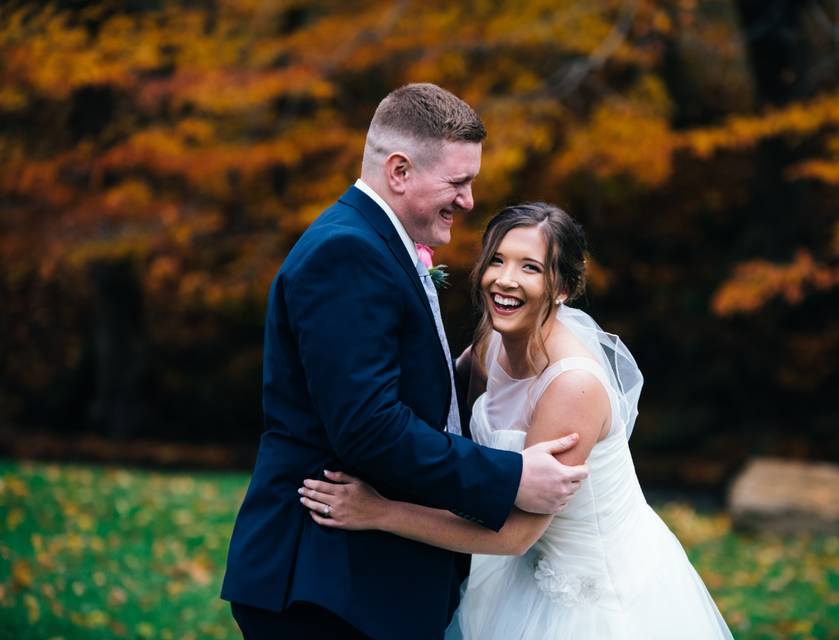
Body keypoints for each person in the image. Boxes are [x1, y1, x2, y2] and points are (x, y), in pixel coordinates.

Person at [220, 85, 589, 640]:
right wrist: (511, 476)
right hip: (322, 581)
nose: (468, 200)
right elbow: (369, 429)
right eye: (457, 182)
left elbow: (420, 386)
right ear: (399, 171)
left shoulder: (376, 244)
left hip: (359, 579)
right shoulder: (346, 253)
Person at [299, 203, 735, 639]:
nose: (504, 280)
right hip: (511, 575)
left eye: (530, 267)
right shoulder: (491, 342)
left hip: (593, 598)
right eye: (496, 260)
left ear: (561, 287)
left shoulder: (572, 386)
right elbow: (446, 424)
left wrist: (379, 512)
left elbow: (515, 535)